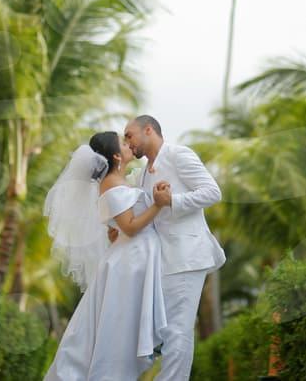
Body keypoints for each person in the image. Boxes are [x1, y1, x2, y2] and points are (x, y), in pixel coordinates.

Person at [43, 131, 172, 380]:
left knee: (116, 330)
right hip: (128, 263)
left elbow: (120, 225)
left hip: (132, 258)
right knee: (116, 332)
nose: (128, 145)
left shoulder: (119, 181)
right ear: (116, 155)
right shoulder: (111, 183)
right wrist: (158, 204)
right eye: (124, 143)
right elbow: (131, 227)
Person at [115, 115, 226, 381]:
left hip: (187, 256)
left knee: (178, 330)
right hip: (161, 261)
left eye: (130, 135)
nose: (127, 142)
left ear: (148, 130)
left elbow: (213, 192)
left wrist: (172, 200)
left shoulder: (179, 155)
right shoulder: (142, 174)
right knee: (163, 332)